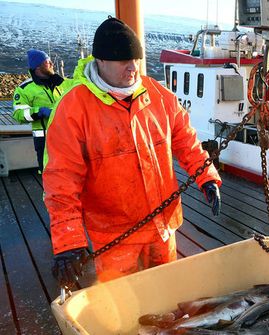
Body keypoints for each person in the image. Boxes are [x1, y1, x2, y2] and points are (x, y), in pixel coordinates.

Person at [43, 17, 222, 288]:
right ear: (100, 61)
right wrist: (68, 242)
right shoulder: (72, 110)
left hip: (163, 227)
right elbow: (61, 182)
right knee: (123, 304)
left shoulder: (159, 95)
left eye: (136, 59)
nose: (132, 67)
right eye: (123, 59)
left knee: (168, 295)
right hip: (114, 235)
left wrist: (206, 177)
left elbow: (186, 141)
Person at [12, 49, 72, 173]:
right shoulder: (24, 89)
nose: (51, 64)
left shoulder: (64, 83)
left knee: (71, 172)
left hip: (68, 137)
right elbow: (18, 114)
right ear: (38, 67)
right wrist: (39, 112)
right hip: (45, 142)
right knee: (49, 174)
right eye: (47, 61)